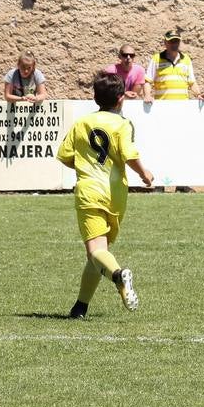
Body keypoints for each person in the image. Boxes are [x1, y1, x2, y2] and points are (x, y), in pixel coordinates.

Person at [56, 71, 155, 318]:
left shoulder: (82, 123)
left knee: (95, 252)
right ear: (121, 98)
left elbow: (66, 156)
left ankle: (119, 275)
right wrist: (145, 174)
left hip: (90, 192)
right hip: (116, 195)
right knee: (99, 252)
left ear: (95, 97)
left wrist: (85, 165)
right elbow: (129, 154)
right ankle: (80, 307)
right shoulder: (123, 124)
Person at [143, 29, 204, 102]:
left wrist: (198, 94)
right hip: (162, 106)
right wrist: (147, 95)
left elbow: (192, 83)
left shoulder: (186, 59)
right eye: (171, 41)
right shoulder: (157, 58)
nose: (174, 44)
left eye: (176, 41)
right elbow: (147, 81)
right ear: (165, 42)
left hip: (182, 106)